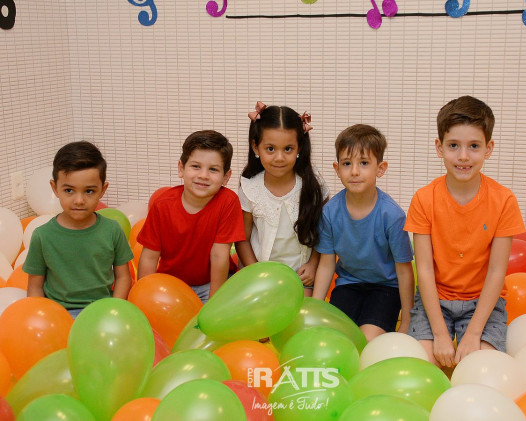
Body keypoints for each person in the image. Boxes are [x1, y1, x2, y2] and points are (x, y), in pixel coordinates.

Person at [404, 95, 526, 368]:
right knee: (423, 364)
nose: (463, 156)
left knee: (481, 366)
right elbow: (424, 270)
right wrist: (439, 334)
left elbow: (496, 272)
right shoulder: (424, 199)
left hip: (483, 302)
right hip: (434, 300)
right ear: (439, 147)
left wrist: (472, 334)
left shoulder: (504, 200)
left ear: (488, 148)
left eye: (474, 146)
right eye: (453, 145)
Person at [312, 124, 415, 341]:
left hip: (385, 288)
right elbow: (326, 264)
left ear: (380, 168)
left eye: (364, 163)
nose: (355, 171)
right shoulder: (330, 212)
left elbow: (404, 270)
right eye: (347, 163)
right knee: (336, 338)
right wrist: (316, 308)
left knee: (366, 340)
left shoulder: (392, 215)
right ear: (337, 168)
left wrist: (407, 319)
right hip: (348, 285)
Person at [24, 141, 133, 318]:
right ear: (55, 188)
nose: (79, 200)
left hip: (101, 312)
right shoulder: (42, 236)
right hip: (59, 315)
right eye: (69, 190)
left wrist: (114, 310)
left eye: (89, 191)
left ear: (102, 190)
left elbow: (123, 277)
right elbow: (35, 288)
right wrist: (42, 318)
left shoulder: (112, 230)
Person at [137, 130, 245, 303]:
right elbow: (149, 257)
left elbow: (219, 255)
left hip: (213, 283)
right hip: (171, 283)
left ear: (226, 177)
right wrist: (144, 297)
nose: (203, 175)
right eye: (196, 166)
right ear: (181, 168)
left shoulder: (228, 202)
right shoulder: (163, 205)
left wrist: (214, 302)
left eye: (213, 169)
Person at [235, 102, 329, 297]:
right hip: (260, 277)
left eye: (288, 149)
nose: (279, 157)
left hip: (301, 277)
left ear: (299, 147)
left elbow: (326, 230)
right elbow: (242, 239)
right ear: (256, 147)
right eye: (270, 149)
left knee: (300, 310)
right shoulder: (250, 188)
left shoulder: (312, 184)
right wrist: (256, 272)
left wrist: (313, 264)